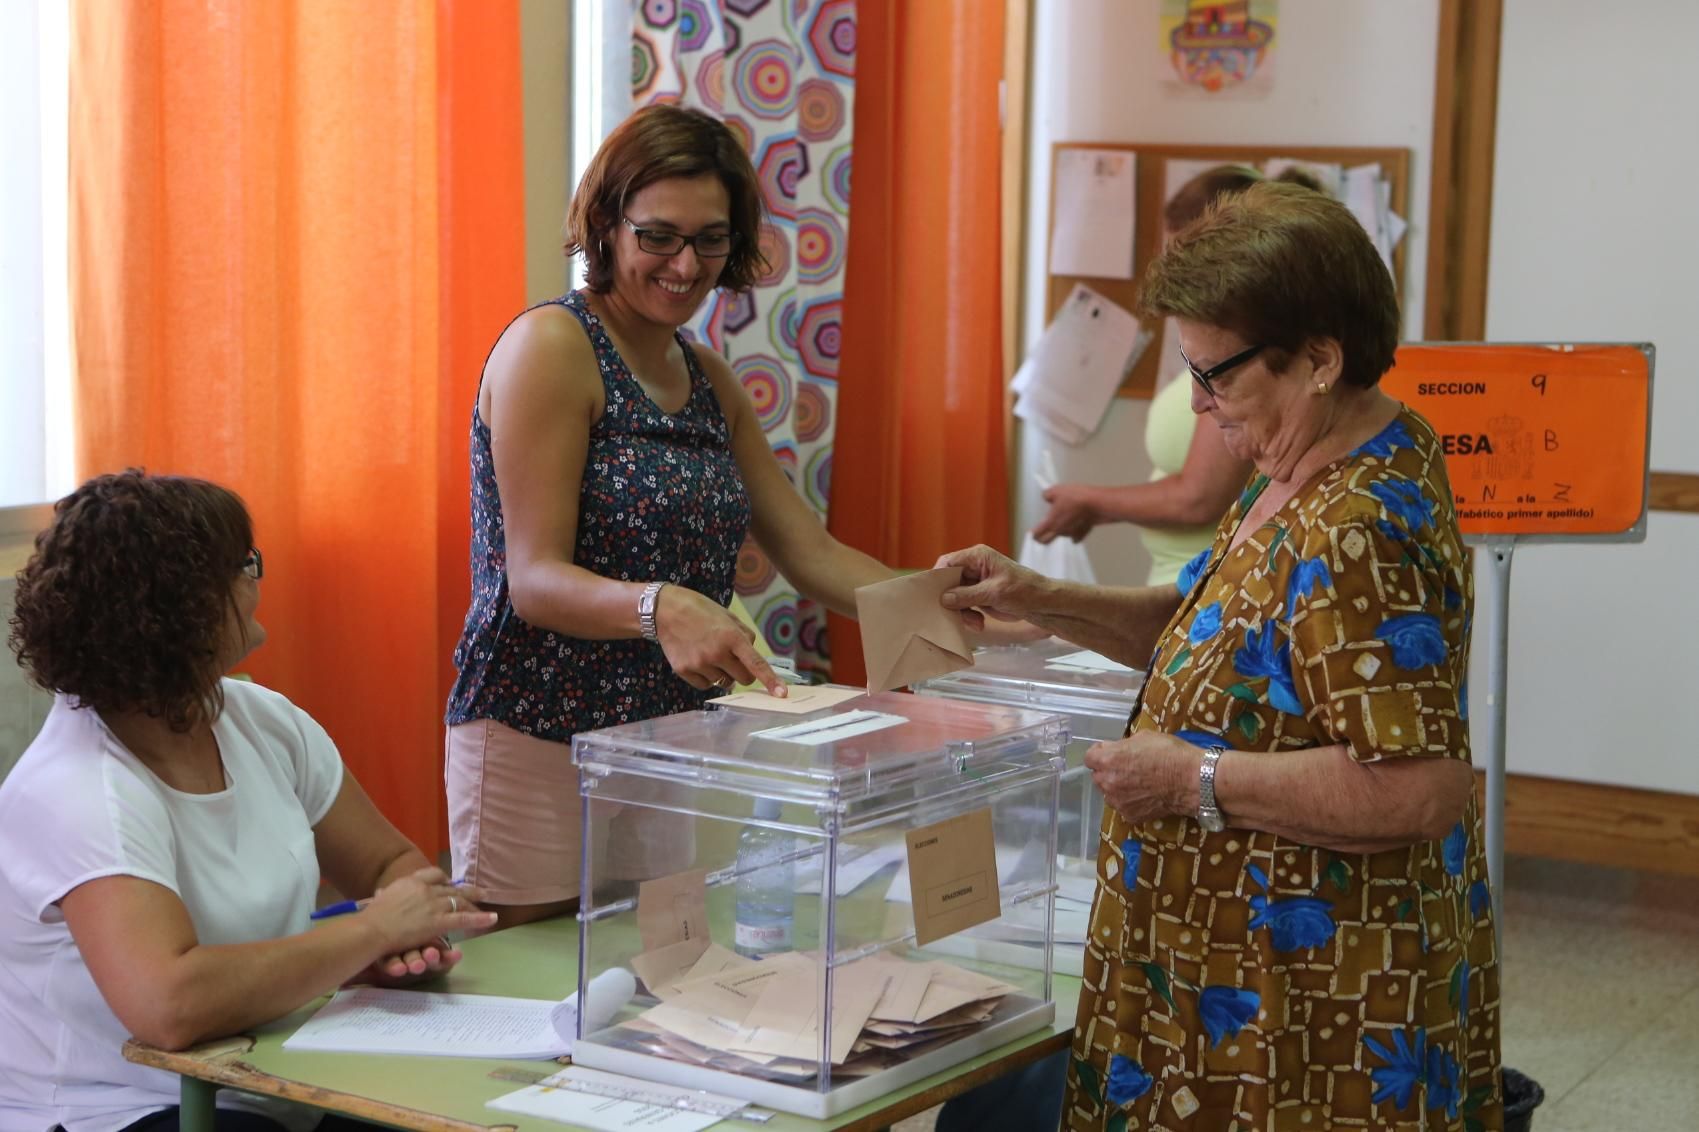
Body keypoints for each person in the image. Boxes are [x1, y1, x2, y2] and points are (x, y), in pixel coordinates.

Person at [939, 182, 1502, 1129]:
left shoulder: (1355, 526)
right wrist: (1039, 599)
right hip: (1228, 959)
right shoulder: (1304, 459)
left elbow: (1418, 788)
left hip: (1309, 996)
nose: (1199, 409)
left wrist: (1193, 779)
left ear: (1317, 360)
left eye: (1216, 377)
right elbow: (1202, 622)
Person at [443, 105, 902, 926]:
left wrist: (944, 600)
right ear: (606, 227)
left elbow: (811, 553)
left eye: (710, 240)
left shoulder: (708, 378)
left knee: (656, 976)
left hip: (665, 738)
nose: (685, 264)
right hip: (537, 726)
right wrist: (663, 606)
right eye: (659, 236)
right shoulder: (551, 348)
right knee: (534, 979)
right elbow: (534, 582)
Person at [0, 471, 497, 1132]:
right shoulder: (80, 787)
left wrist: (411, 931)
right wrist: (372, 932)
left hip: (268, 1076)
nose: (256, 581)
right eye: (245, 566)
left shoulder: (262, 722)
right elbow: (168, 1005)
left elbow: (386, 866)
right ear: (183, 607)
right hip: (119, 1108)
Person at [1031, 166, 1321, 586]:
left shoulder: (1247, 359)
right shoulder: (1211, 353)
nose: (1200, 400)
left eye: (1189, 259)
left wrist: (1093, 501)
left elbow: (1202, 497)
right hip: (1181, 587)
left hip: (1215, 585)